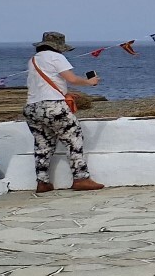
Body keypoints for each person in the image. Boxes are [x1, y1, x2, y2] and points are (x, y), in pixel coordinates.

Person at [23, 32, 104, 194]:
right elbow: (71, 79)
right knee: (74, 137)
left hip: (32, 107)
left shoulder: (33, 60)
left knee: (42, 144)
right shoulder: (55, 57)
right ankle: (81, 178)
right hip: (53, 106)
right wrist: (90, 82)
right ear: (58, 47)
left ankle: (42, 182)